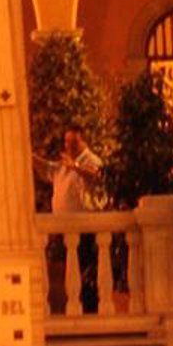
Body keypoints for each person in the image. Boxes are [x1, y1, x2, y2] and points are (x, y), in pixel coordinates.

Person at [51, 125, 103, 316]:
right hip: (64, 230)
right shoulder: (63, 165)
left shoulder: (91, 160)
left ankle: (90, 312)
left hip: (84, 231)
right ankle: (74, 309)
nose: (69, 146)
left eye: (73, 142)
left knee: (85, 273)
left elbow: (96, 176)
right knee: (70, 273)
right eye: (67, 142)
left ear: (83, 141)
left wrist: (75, 167)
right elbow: (46, 171)